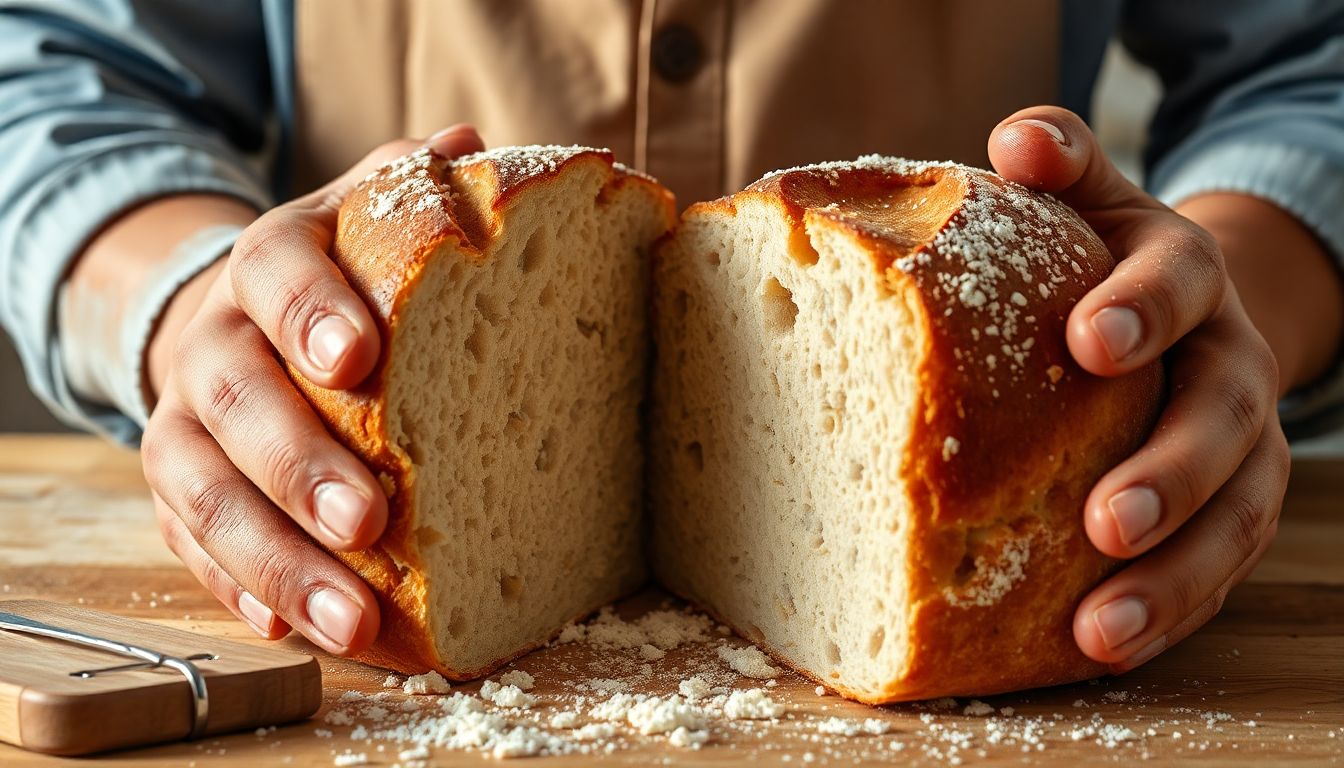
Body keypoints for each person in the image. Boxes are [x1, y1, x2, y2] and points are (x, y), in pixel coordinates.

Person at [2, 1, 1341, 670]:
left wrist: (1228, 318)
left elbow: (1307, 63)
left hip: (1034, 414)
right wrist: (191, 311)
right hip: (355, 426)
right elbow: (62, 68)